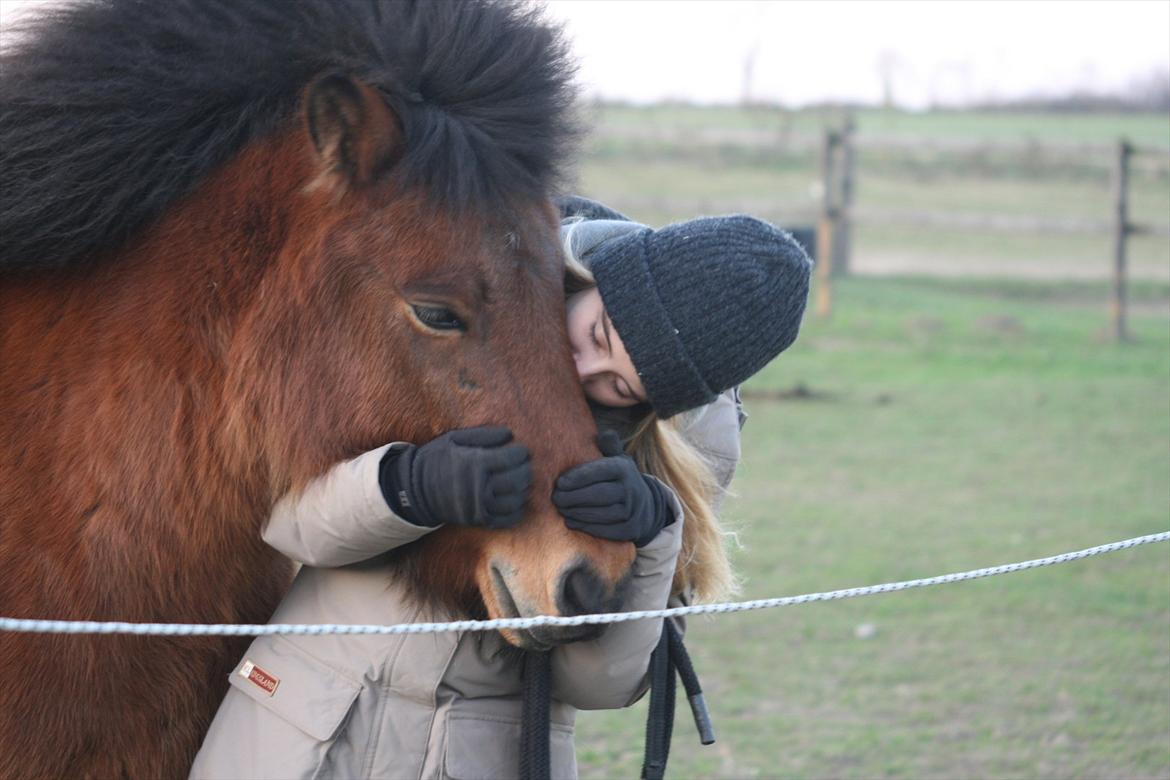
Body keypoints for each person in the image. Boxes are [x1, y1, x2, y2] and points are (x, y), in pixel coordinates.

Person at [189, 196, 812, 779]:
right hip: (299, 735)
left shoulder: (684, 455)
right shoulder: (453, 309)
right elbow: (291, 527)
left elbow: (598, 685)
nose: (586, 370)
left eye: (621, 388)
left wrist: (649, 540)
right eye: (597, 336)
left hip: (479, 756)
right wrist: (407, 488)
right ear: (587, 281)